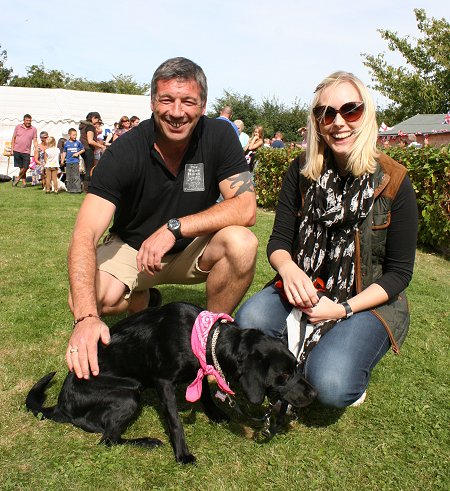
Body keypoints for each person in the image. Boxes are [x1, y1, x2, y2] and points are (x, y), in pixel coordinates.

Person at [66, 57, 257, 380]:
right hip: (133, 250)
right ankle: (143, 297)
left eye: (188, 101)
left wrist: (175, 227)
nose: (177, 112)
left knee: (242, 243)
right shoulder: (124, 151)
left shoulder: (219, 136)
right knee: (87, 297)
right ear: (153, 102)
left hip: (190, 248)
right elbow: (84, 233)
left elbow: (246, 207)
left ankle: (208, 341)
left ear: (203, 104)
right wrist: (85, 318)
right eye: (167, 99)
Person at [235, 71, 418, 409]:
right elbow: (279, 242)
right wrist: (289, 271)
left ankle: (330, 350)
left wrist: (342, 308)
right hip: (305, 285)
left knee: (332, 385)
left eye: (351, 110)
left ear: (367, 114)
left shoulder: (394, 181)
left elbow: (399, 273)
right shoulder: (302, 170)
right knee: (249, 322)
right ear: (317, 122)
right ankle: (315, 341)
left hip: (366, 300)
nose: (338, 122)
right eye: (326, 113)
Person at [79, 112, 104, 192]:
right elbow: (90, 141)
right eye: (97, 119)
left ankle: (86, 187)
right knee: (89, 169)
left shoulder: (83, 126)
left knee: (88, 169)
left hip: (83, 149)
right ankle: (87, 188)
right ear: (93, 118)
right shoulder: (90, 127)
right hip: (88, 149)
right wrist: (101, 146)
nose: (98, 121)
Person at [11, 114, 38, 188]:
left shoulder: (33, 129)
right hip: (17, 150)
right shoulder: (18, 127)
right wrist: (12, 149)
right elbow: (14, 138)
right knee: (21, 167)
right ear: (24, 120)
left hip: (26, 151)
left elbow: (35, 140)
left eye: (30, 120)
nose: (29, 122)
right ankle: (24, 183)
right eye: (27, 120)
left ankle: (17, 178)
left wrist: (36, 148)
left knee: (26, 167)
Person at [62, 128, 85, 193]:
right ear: (69, 135)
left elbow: (83, 149)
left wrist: (77, 153)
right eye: (73, 135)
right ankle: (70, 189)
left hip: (75, 162)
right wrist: (62, 160)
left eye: (76, 135)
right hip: (68, 162)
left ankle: (77, 189)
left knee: (76, 176)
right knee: (69, 176)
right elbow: (64, 152)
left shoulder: (78, 142)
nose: (75, 136)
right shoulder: (66, 143)